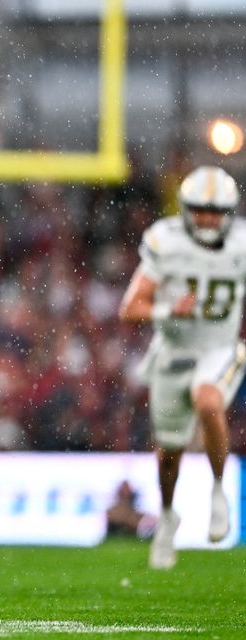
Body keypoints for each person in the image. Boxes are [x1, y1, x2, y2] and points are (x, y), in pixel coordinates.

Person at [119, 165, 245, 569]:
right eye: (200, 209)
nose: (207, 218)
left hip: (221, 347)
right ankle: (169, 515)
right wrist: (167, 308)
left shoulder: (241, 244)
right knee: (169, 453)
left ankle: (218, 490)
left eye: (215, 210)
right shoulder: (166, 241)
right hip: (173, 351)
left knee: (208, 401)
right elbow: (130, 308)